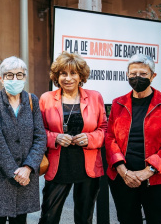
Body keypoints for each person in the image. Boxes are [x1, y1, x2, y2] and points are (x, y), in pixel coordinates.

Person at [105, 54, 161, 224]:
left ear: (153, 76)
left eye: (142, 74)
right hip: (124, 178)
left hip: (158, 179)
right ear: (127, 75)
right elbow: (110, 138)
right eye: (133, 74)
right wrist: (123, 171)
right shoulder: (118, 103)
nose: (137, 78)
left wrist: (147, 172)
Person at [38, 51, 107, 224]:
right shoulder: (46, 99)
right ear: (57, 76)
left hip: (87, 167)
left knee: (84, 218)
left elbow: (104, 129)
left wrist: (90, 139)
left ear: (81, 75)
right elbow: (38, 131)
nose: (68, 78)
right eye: (63, 73)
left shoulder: (95, 97)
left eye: (73, 73)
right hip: (58, 166)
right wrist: (55, 138)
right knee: (48, 217)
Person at [0, 56, 46, 224]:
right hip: (0, 177)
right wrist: (15, 172)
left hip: (26, 176)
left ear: (24, 77)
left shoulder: (32, 101)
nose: (14, 79)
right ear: (1, 78)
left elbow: (40, 137)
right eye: (9, 75)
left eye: (19, 75)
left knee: (20, 221)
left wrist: (28, 167)